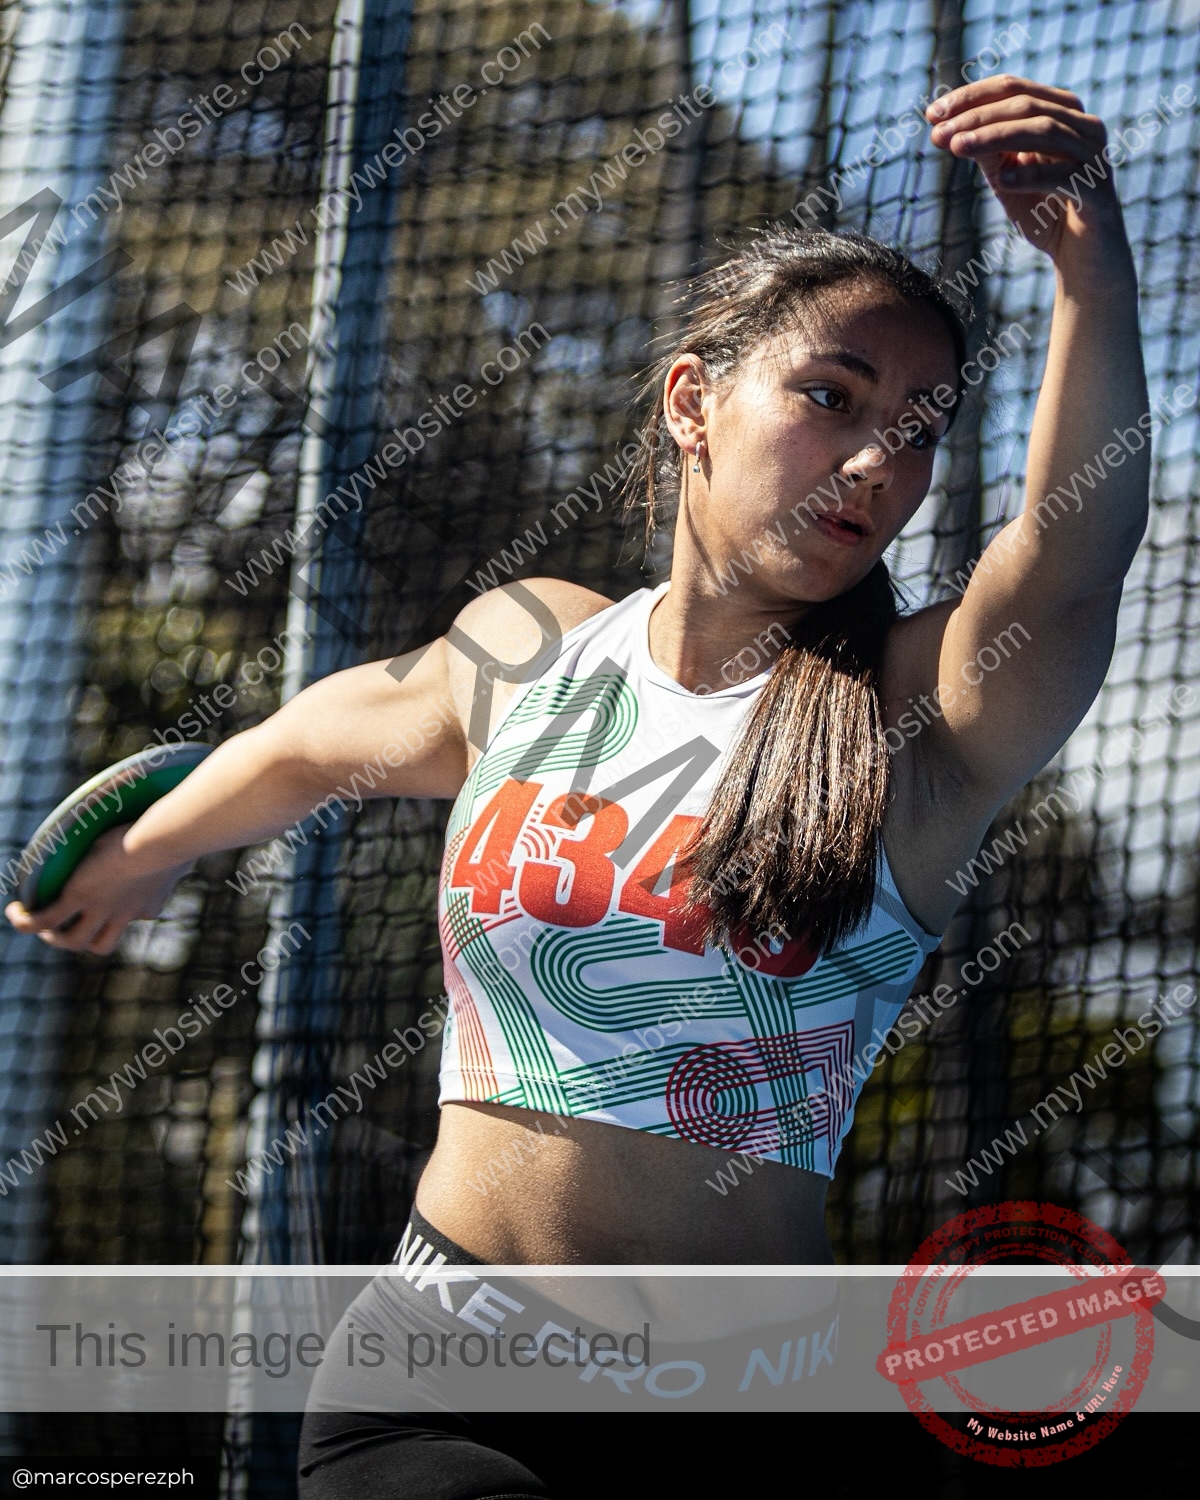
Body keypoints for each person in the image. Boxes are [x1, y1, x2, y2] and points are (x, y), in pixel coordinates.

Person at [7, 76, 1147, 1492]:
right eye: (831, 396)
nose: (874, 458)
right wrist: (153, 847)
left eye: (916, 429)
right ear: (693, 402)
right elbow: (311, 740)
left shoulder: (922, 723)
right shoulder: (529, 651)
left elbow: (1074, 555)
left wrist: (1090, 271)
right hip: (442, 1375)